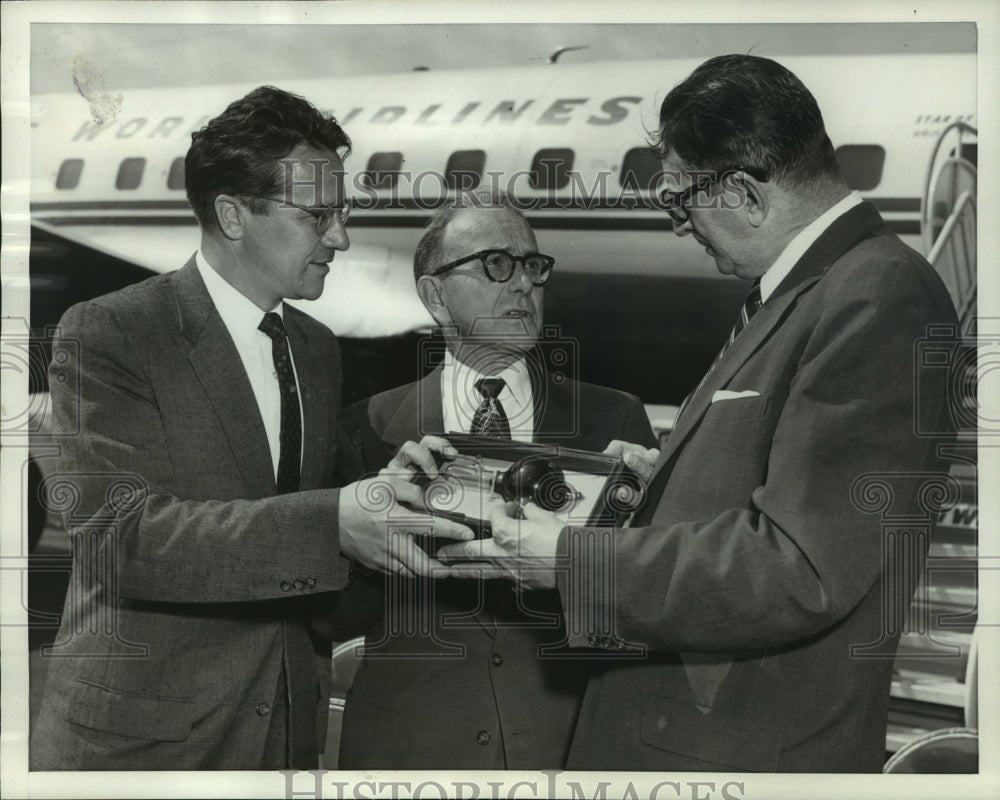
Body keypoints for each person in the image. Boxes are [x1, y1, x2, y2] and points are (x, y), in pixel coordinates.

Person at [441, 55, 959, 772]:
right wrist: (670, 480)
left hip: (732, 751)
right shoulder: (809, 290)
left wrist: (567, 563)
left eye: (680, 200)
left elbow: (800, 568)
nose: (681, 225)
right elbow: (804, 495)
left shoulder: (876, 294)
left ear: (744, 192)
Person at [30, 86, 469, 771]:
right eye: (318, 215)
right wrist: (333, 520)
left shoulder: (317, 349)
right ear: (234, 215)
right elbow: (122, 540)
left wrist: (390, 500)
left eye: (342, 212)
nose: (342, 237)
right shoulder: (113, 331)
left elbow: (302, 547)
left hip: (282, 743)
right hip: (142, 750)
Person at [333, 191, 657, 769]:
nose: (523, 284)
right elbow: (332, 618)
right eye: (495, 265)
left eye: (532, 265)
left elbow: (644, 613)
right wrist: (369, 530)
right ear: (435, 295)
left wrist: (639, 538)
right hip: (409, 757)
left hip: (570, 750)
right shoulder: (369, 427)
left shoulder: (616, 423)